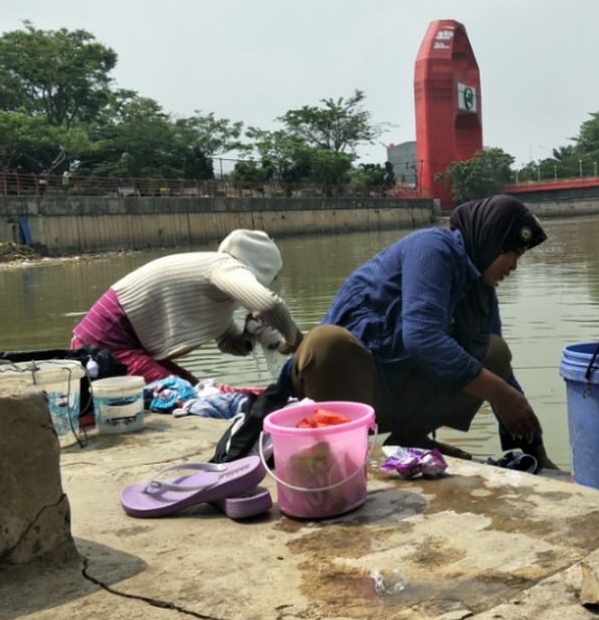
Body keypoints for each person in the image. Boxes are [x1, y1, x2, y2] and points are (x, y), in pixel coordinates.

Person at [286, 194, 557, 469]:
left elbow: (504, 376)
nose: (513, 265)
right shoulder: (431, 248)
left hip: (396, 394)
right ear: (491, 239)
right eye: (513, 252)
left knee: (495, 353)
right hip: (348, 389)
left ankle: (407, 440)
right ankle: (336, 457)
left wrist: (534, 451)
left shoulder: (481, 291)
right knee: (327, 342)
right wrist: (499, 394)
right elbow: (422, 336)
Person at [72, 229, 303, 384]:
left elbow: (228, 343)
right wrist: (297, 341)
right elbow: (269, 304)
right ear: (264, 268)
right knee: (189, 396)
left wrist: (251, 335)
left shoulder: (218, 284)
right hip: (103, 344)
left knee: (196, 388)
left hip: (115, 342)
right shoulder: (224, 267)